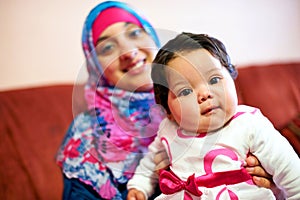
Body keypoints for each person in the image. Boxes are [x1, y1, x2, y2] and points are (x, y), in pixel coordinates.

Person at [55, 1, 277, 199]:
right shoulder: (85, 138)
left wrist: (264, 176)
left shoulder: (208, 104)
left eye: (134, 33)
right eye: (107, 47)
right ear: (95, 66)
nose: (128, 51)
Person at [127, 33, 300, 199]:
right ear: (168, 111)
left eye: (214, 79)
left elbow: (290, 170)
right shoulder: (168, 129)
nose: (205, 94)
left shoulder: (249, 123)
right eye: (185, 91)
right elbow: (150, 163)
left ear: (232, 77)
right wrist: (139, 187)